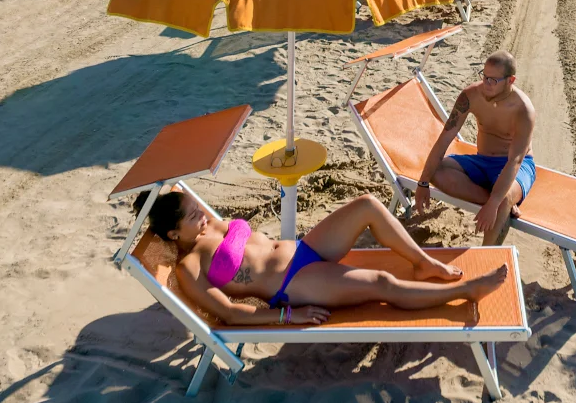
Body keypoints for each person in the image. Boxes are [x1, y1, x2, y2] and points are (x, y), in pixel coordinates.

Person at [141, 190, 502, 327]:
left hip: (303, 249)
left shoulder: (213, 224)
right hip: (293, 285)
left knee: (367, 205)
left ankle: (424, 262)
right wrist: (287, 315)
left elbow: (175, 191)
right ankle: (467, 291)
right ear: (173, 234)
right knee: (381, 284)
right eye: (192, 217)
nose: (201, 216)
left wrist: (171, 197)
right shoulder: (191, 268)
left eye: (196, 209)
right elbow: (229, 313)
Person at [414, 51, 537, 245]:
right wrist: (422, 183)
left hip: (515, 165)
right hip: (482, 161)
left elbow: (516, 160)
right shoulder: (471, 95)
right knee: (435, 173)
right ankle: (501, 202)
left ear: (510, 80)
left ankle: (487, 256)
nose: (486, 84)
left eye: (493, 80)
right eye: (484, 76)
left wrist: (496, 203)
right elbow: (445, 137)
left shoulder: (523, 109)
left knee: (503, 199)